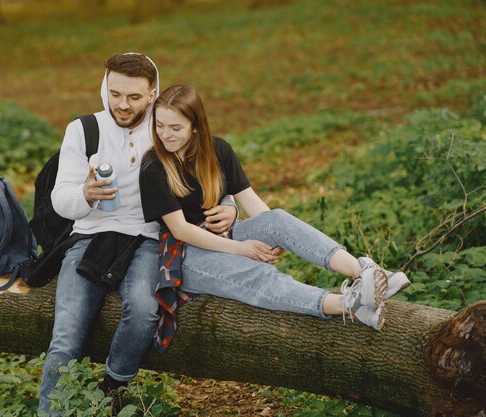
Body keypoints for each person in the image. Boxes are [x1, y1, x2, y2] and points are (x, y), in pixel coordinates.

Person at [37, 56, 239, 416]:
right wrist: (84, 194)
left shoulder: (164, 129)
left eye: (133, 97)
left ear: (152, 94)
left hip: (148, 237)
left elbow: (205, 173)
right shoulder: (84, 130)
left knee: (146, 309)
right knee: (65, 336)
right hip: (89, 236)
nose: (122, 105)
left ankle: (111, 387)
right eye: (115, 94)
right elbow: (59, 201)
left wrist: (230, 207)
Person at [139, 84, 411, 350]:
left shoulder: (217, 150)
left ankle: (366, 273)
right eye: (160, 126)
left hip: (223, 235)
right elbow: (181, 231)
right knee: (256, 274)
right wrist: (242, 248)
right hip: (186, 255)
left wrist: (275, 234)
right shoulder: (154, 166)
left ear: (195, 126)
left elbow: (252, 202)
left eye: (175, 128)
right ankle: (350, 305)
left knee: (277, 218)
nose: (165, 135)